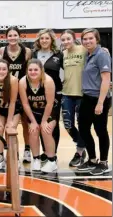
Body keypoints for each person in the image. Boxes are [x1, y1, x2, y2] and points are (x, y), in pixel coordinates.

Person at [77, 28, 112, 175]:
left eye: (90, 38)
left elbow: (106, 80)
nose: (87, 41)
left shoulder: (102, 55)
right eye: (85, 39)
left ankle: (103, 162)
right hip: (86, 97)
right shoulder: (87, 54)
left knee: (100, 131)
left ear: (97, 39)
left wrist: (100, 103)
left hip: (99, 99)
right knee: (84, 129)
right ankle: (92, 159)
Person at [0, 26, 32, 163]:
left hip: (22, 90)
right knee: (8, 123)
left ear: (19, 36)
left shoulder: (27, 51)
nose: (12, 37)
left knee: (26, 123)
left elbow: (30, 71)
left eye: (15, 35)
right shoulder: (2, 51)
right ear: (6, 37)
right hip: (7, 91)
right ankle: (9, 152)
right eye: (10, 35)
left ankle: (27, 150)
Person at [19, 59, 58, 173]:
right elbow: (25, 103)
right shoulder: (23, 82)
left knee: (46, 130)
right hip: (33, 112)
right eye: (30, 70)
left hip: (49, 111)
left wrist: (44, 121)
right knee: (33, 130)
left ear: (41, 70)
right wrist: (33, 121)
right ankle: (36, 159)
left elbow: (50, 103)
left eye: (36, 69)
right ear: (27, 71)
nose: (33, 72)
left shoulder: (48, 81)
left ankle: (52, 161)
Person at [32, 28, 63, 163]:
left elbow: (67, 73)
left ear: (52, 40)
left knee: (51, 124)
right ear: (38, 40)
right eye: (42, 38)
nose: (44, 41)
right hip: (37, 96)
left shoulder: (59, 55)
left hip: (55, 95)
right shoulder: (33, 54)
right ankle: (45, 151)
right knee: (40, 124)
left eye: (47, 38)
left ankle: (53, 153)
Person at [60, 29, 87, 167]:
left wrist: (104, 49)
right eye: (63, 40)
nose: (65, 42)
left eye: (68, 39)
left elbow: (97, 52)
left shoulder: (83, 49)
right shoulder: (63, 54)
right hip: (67, 93)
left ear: (74, 38)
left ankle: (80, 152)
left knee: (82, 124)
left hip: (82, 94)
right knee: (68, 124)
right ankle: (82, 143)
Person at [0, 59, 20, 170]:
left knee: (10, 131)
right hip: (0, 110)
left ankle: (15, 158)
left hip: (13, 110)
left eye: (4, 69)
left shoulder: (13, 80)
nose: (1, 71)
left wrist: (10, 120)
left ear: (8, 70)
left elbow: (13, 101)